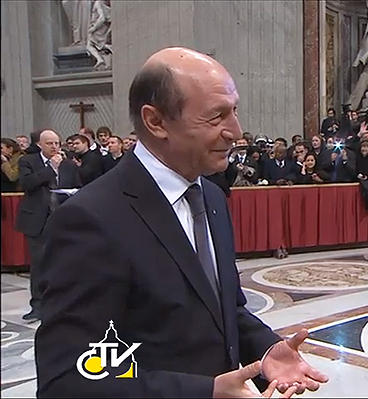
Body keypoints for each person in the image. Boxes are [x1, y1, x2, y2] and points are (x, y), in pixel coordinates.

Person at [35, 47, 327, 397]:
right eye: (216, 117)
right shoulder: (90, 219)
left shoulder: (212, 197)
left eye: (233, 112)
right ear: (156, 122)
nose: (235, 131)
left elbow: (221, 308)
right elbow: (68, 377)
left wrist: (265, 350)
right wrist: (204, 391)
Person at [15, 129, 80, 323]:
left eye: (57, 143)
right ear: (40, 145)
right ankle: (38, 306)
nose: (54, 147)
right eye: (50, 143)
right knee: (39, 264)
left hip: (63, 219)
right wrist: (50, 168)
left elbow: (78, 185)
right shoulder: (28, 161)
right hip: (37, 220)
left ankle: (65, 304)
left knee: (65, 263)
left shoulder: (68, 164)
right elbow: (27, 184)